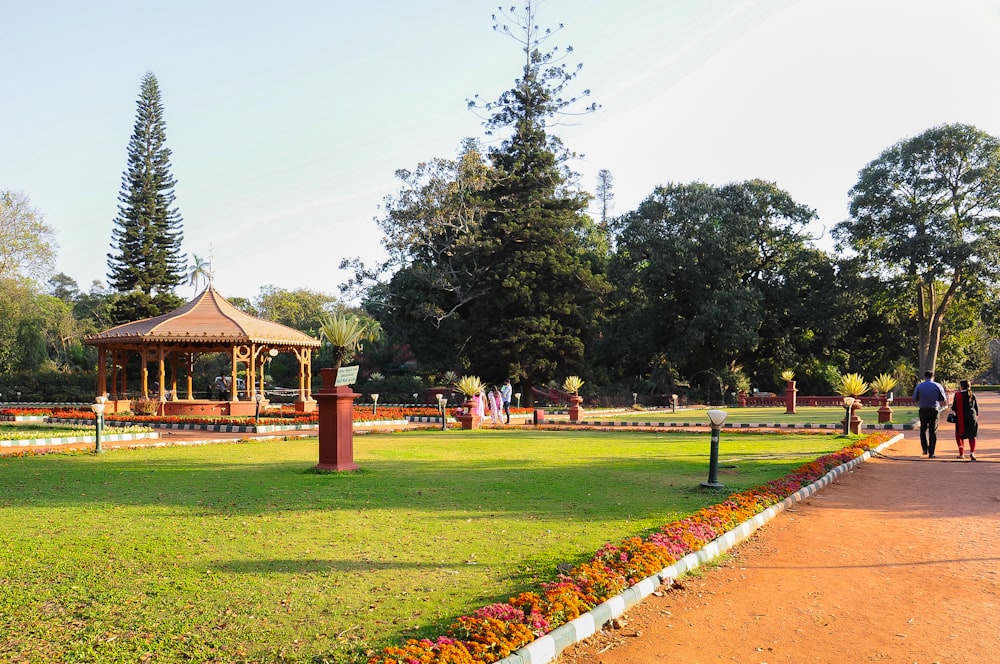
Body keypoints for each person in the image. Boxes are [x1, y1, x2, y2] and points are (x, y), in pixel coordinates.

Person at [912, 370, 947, 458]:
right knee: (933, 431)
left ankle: (924, 449)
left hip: (923, 409)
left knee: (923, 429)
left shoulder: (919, 386)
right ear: (933, 377)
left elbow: (915, 398)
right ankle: (931, 452)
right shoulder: (937, 385)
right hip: (934, 409)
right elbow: (943, 398)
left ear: (924, 377)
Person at [950, 379, 980, 460]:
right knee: (972, 436)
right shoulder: (972, 395)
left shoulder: (958, 395)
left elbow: (954, 407)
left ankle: (961, 453)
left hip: (961, 417)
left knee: (960, 435)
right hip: (971, 417)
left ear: (961, 386)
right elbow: (976, 408)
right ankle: (972, 452)